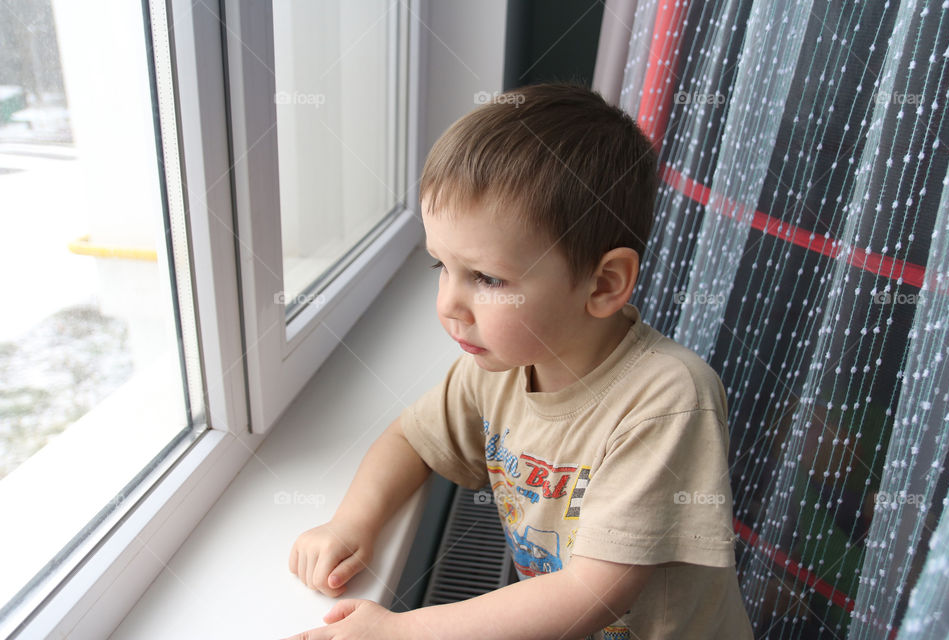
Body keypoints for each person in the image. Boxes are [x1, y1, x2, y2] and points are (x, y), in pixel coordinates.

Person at [284, 83, 754, 640]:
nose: (449, 305)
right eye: (441, 266)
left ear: (603, 284)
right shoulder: (499, 365)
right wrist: (353, 522)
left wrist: (403, 633)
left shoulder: (667, 402)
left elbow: (592, 593)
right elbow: (410, 439)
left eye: (486, 278)